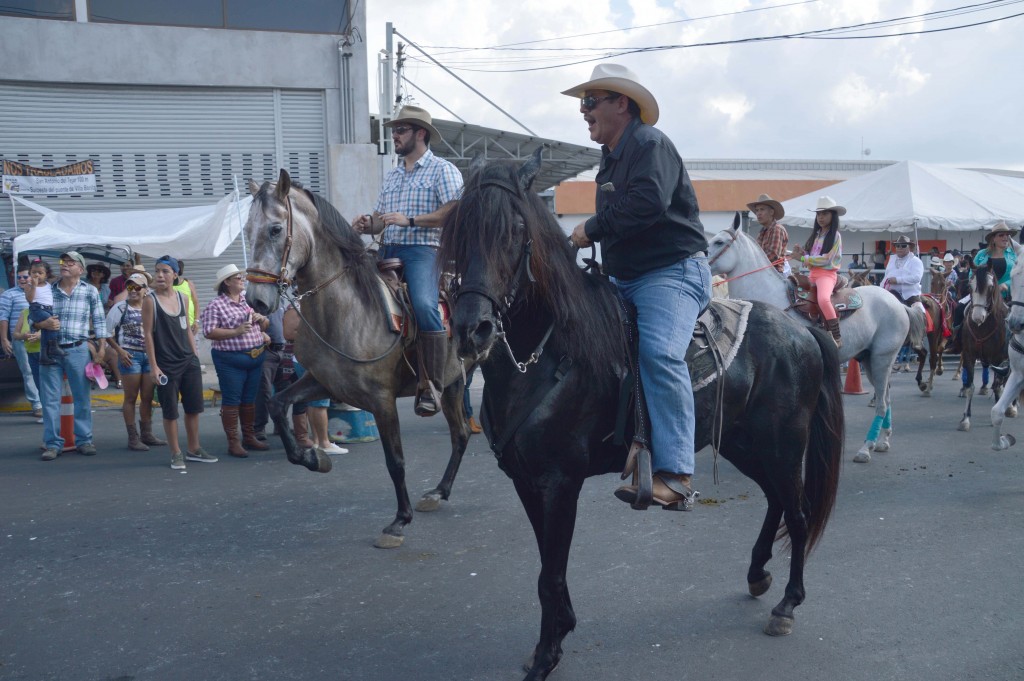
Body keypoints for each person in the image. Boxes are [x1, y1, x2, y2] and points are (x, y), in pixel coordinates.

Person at [563, 63, 711, 510]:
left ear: (621, 103)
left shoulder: (650, 144)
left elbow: (647, 204)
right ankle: (630, 442)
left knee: (659, 353)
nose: (584, 111)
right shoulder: (610, 157)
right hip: (625, 277)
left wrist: (590, 228)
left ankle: (677, 474)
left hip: (671, 273)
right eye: (583, 104)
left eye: (591, 101)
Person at [351, 105, 463, 417]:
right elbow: (380, 220)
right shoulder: (392, 175)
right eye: (394, 131)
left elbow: (452, 213)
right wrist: (367, 224)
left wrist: (410, 220)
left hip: (423, 250)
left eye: (401, 130)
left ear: (420, 133)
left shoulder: (443, 170)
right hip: (387, 249)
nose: (395, 135)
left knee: (425, 305)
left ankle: (432, 385)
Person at [28, 251, 108, 461]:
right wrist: (40, 324)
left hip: (78, 349)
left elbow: (99, 321)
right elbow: (33, 317)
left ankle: (84, 440)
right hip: (50, 348)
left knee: (82, 397)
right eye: (64, 262)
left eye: (71, 263)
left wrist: (101, 349)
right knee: (50, 399)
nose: (65, 265)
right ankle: (53, 443)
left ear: (80, 270)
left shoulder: (89, 291)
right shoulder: (47, 290)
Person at [143, 255, 217, 469]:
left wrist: (194, 356)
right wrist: (154, 366)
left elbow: (186, 329)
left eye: (165, 271)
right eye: (157, 271)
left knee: (193, 408)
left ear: (175, 275)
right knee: (170, 411)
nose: (159, 275)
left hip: (187, 361)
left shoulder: (183, 298)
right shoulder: (150, 300)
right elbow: (147, 334)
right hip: (166, 364)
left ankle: (194, 448)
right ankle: (176, 452)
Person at [200, 263, 271, 458]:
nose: (242, 279)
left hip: (254, 357)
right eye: (238, 277)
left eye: (241, 277)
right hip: (231, 360)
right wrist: (236, 331)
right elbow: (209, 331)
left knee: (249, 400)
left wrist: (262, 322)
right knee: (232, 401)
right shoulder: (217, 305)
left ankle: (248, 436)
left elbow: (262, 326)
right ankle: (233, 442)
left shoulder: (245, 301)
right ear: (227, 282)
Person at [105, 272, 165, 451]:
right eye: (130, 286)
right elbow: (107, 332)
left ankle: (147, 434)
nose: (133, 291)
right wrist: (120, 351)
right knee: (130, 398)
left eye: (138, 287)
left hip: (150, 357)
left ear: (146, 290)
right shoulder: (120, 308)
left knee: (147, 397)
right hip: (130, 357)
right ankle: (133, 438)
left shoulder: (153, 306)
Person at [282, 299, 346, 454]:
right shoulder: (296, 306)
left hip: (314, 357)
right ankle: (325, 443)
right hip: (312, 358)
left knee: (314, 402)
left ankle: (317, 441)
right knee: (320, 403)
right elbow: (289, 333)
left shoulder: (312, 304)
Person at [790, 196, 844, 348]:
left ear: (832, 216)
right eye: (819, 214)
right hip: (812, 274)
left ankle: (836, 335)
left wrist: (804, 258)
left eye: (825, 214)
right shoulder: (817, 234)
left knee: (823, 299)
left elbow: (827, 259)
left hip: (826, 275)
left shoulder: (836, 236)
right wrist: (801, 252)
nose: (821, 217)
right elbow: (810, 254)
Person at [0, 264, 43, 417]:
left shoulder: (41, 293)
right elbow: (3, 317)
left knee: (44, 371)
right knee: (28, 372)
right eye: (19, 277)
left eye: (25, 276)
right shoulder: (9, 294)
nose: (22, 279)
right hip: (20, 340)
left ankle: (46, 402)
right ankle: (37, 405)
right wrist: (5, 339)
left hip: (41, 338)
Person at [253, 307, 285, 442]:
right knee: (264, 391)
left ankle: (281, 425)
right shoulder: (255, 299)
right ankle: (259, 428)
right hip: (265, 349)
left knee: (283, 390)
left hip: (282, 349)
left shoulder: (282, 298)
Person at [24, 257, 64, 365]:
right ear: (30, 273)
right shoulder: (29, 286)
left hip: (49, 309)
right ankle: (53, 346)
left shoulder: (49, 285)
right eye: (34, 272)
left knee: (48, 330)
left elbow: (59, 278)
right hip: (37, 309)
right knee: (53, 323)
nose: (36, 275)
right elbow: (30, 299)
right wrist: (34, 286)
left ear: (46, 275)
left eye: (40, 273)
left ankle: (44, 355)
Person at [746, 193, 788, 273]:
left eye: (762, 209)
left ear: (771, 212)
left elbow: (773, 255)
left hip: (775, 274)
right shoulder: (762, 231)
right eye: (757, 210)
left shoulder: (777, 229)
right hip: (763, 273)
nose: (758, 213)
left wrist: (752, 263)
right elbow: (756, 252)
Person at [882, 235, 924, 306]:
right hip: (891, 294)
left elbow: (917, 278)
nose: (900, 248)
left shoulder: (916, 261)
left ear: (909, 247)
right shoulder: (891, 260)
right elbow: (886, 277)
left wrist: (897, 280)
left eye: (903, 246)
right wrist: (880, 289)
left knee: (919, 313)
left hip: (910, 296)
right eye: (897, 246)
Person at [173, 259, 200, 335]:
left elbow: (196, 302)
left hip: (190, 325)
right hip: (174, 326)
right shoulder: (166, 285)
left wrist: (196, 321)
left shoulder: (188, 283)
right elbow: (149, 283)